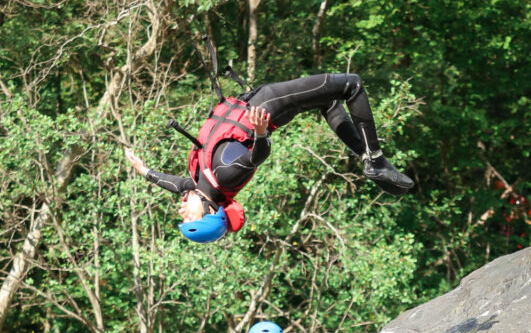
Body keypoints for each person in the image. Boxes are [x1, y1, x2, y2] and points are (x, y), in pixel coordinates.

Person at [125, 71, 414, 242]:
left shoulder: (197, 185)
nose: (181, 211)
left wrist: (144, 170)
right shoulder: (224, 177)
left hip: (256, 100)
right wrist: (261, 134)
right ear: (210, 212)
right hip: (269, 104)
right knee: (352, 84)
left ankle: (366, 157)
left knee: (329, 101)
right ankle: (374, 158)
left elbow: (172, 183)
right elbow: (255, 158)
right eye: (190, 217)